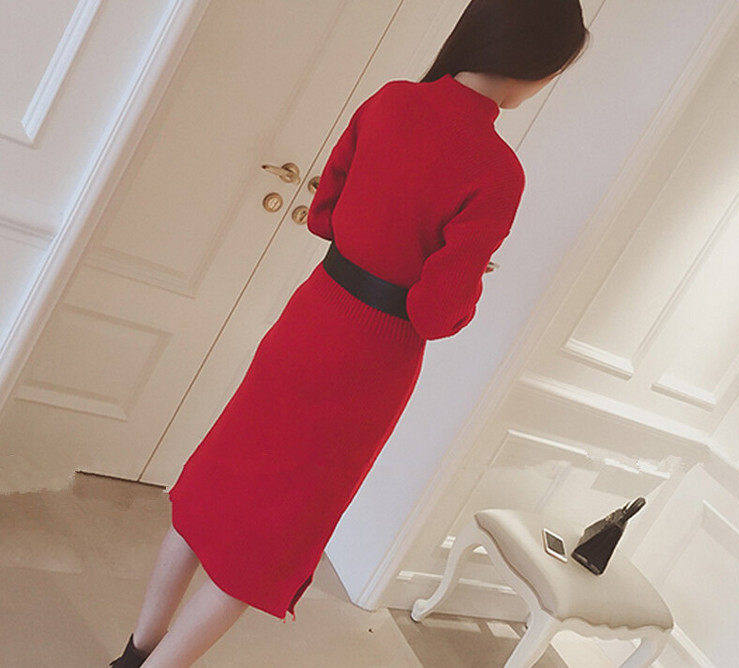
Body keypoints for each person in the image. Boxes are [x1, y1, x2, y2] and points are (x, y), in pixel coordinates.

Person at [109, 0, 589, 665]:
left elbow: (324, 217)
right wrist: (467, 279)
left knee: (213, 492)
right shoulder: (497, 171)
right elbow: (436, 313)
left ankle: (135, 653)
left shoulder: (389, 101)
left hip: (308, 323)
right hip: (369, 367)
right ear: (536, 63)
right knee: (268, 544)